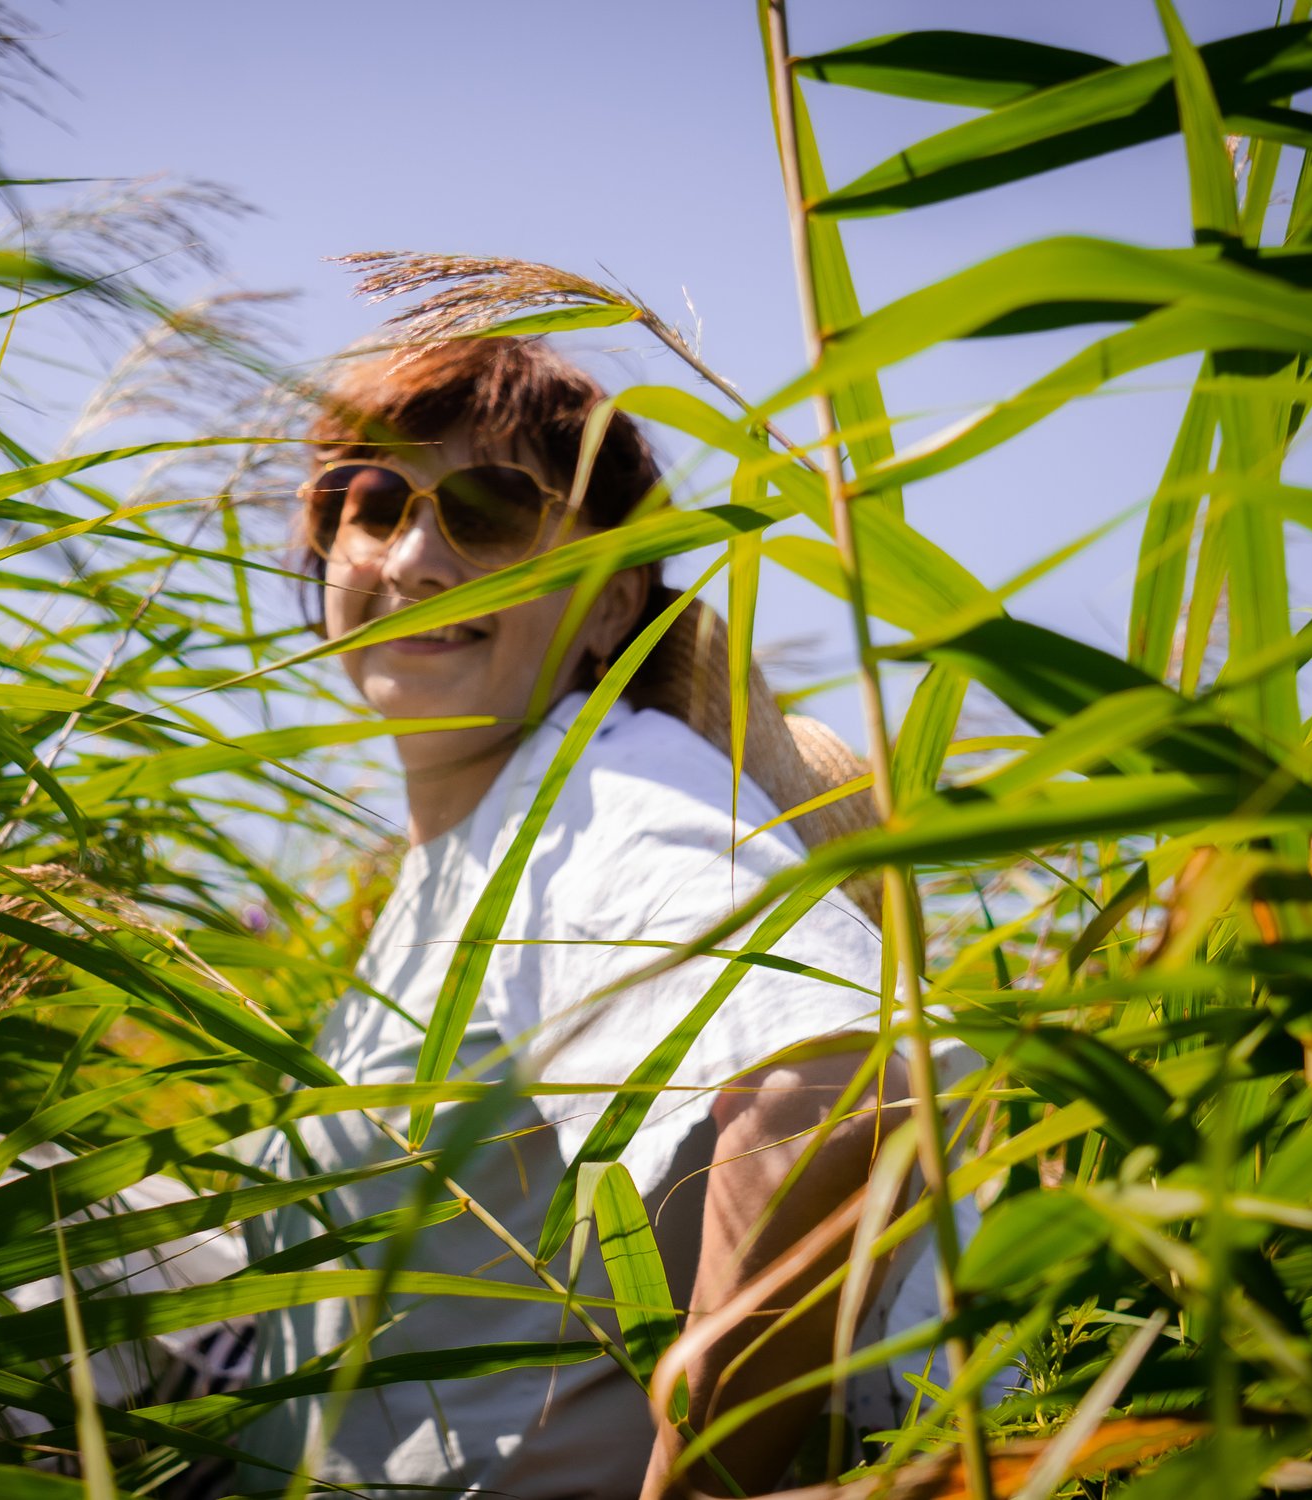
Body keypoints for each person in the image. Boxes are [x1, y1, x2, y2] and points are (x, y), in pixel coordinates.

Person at [233, 338, 981, 1499]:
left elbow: (849, 1085)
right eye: (370, 503)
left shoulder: (591, 806)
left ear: (611, 605)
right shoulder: (477, 850)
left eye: (489, 511)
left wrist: (698, 1486)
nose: (416, 559)